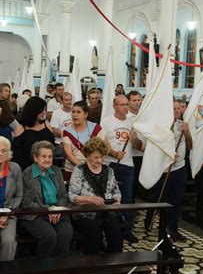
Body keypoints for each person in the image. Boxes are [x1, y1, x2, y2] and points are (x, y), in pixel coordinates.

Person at [68, 138, 122, 274]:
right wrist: (90, 199)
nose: (99, 160)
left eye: (101, 157)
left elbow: (116, 191)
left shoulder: (109, 170)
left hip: (106, 211)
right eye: (95, 157)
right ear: (88, 155)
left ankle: (115, 268)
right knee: (94, 232)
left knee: (116, 230)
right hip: (85, 212)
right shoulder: (79, 170)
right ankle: (89, 272)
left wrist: (117, 199)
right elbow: (72, 196)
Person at [144, 100, 191, 242]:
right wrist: (168, 153)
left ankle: (172, 229)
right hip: (164, 169)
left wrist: (187, 133)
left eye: (178, 108)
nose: (177, 111)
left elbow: (190, 145)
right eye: (174, 109)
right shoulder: (159, 127)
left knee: (176, 200)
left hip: (179, 167)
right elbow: (151, 148)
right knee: (159, 199)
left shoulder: (181, 125)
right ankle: (150, 220)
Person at [19, 141, 73, 259]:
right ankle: (42, 269)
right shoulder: (27, 174)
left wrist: (57, 209)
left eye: (50, 156)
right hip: (35, 214)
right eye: (44, 156)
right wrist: (48, 210)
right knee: (49, 236)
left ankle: (57, 268)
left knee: (66, 233)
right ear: (35, 157)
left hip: (58, 212)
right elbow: (26, 201)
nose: (47, 159)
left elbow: (64, 196)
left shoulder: (56, 171)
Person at [101, 95, 143, 244]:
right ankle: (108, 228)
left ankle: (127, 230)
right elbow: (102, 142)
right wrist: (113, 153)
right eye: (122, 105)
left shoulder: (133, 122)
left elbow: (139, 147)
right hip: (110, 164)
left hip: (127, 165)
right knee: (109, 197)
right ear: (114, 106)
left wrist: (135, 140)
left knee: (126, 198)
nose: (125, 107)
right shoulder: (107, 121)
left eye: (126, 104)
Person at [62, 101, 105, 181]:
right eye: (73, 112)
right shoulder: (67, 131)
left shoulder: (96, 128)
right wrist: (85, 168)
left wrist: (93, 166)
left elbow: (103, 150)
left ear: (86, 114)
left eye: (78, 112)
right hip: (73, 171)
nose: (75, 115)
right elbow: (69, 154)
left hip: (95, 169)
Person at [12, 96, 54, 172]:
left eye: (45, 109)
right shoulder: (21, 128)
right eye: (41, 110)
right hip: (27, 170)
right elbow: (16, 154)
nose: (44, 112)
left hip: (47, 168)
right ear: (34, 110)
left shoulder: (47, 125)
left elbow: (52, 147)